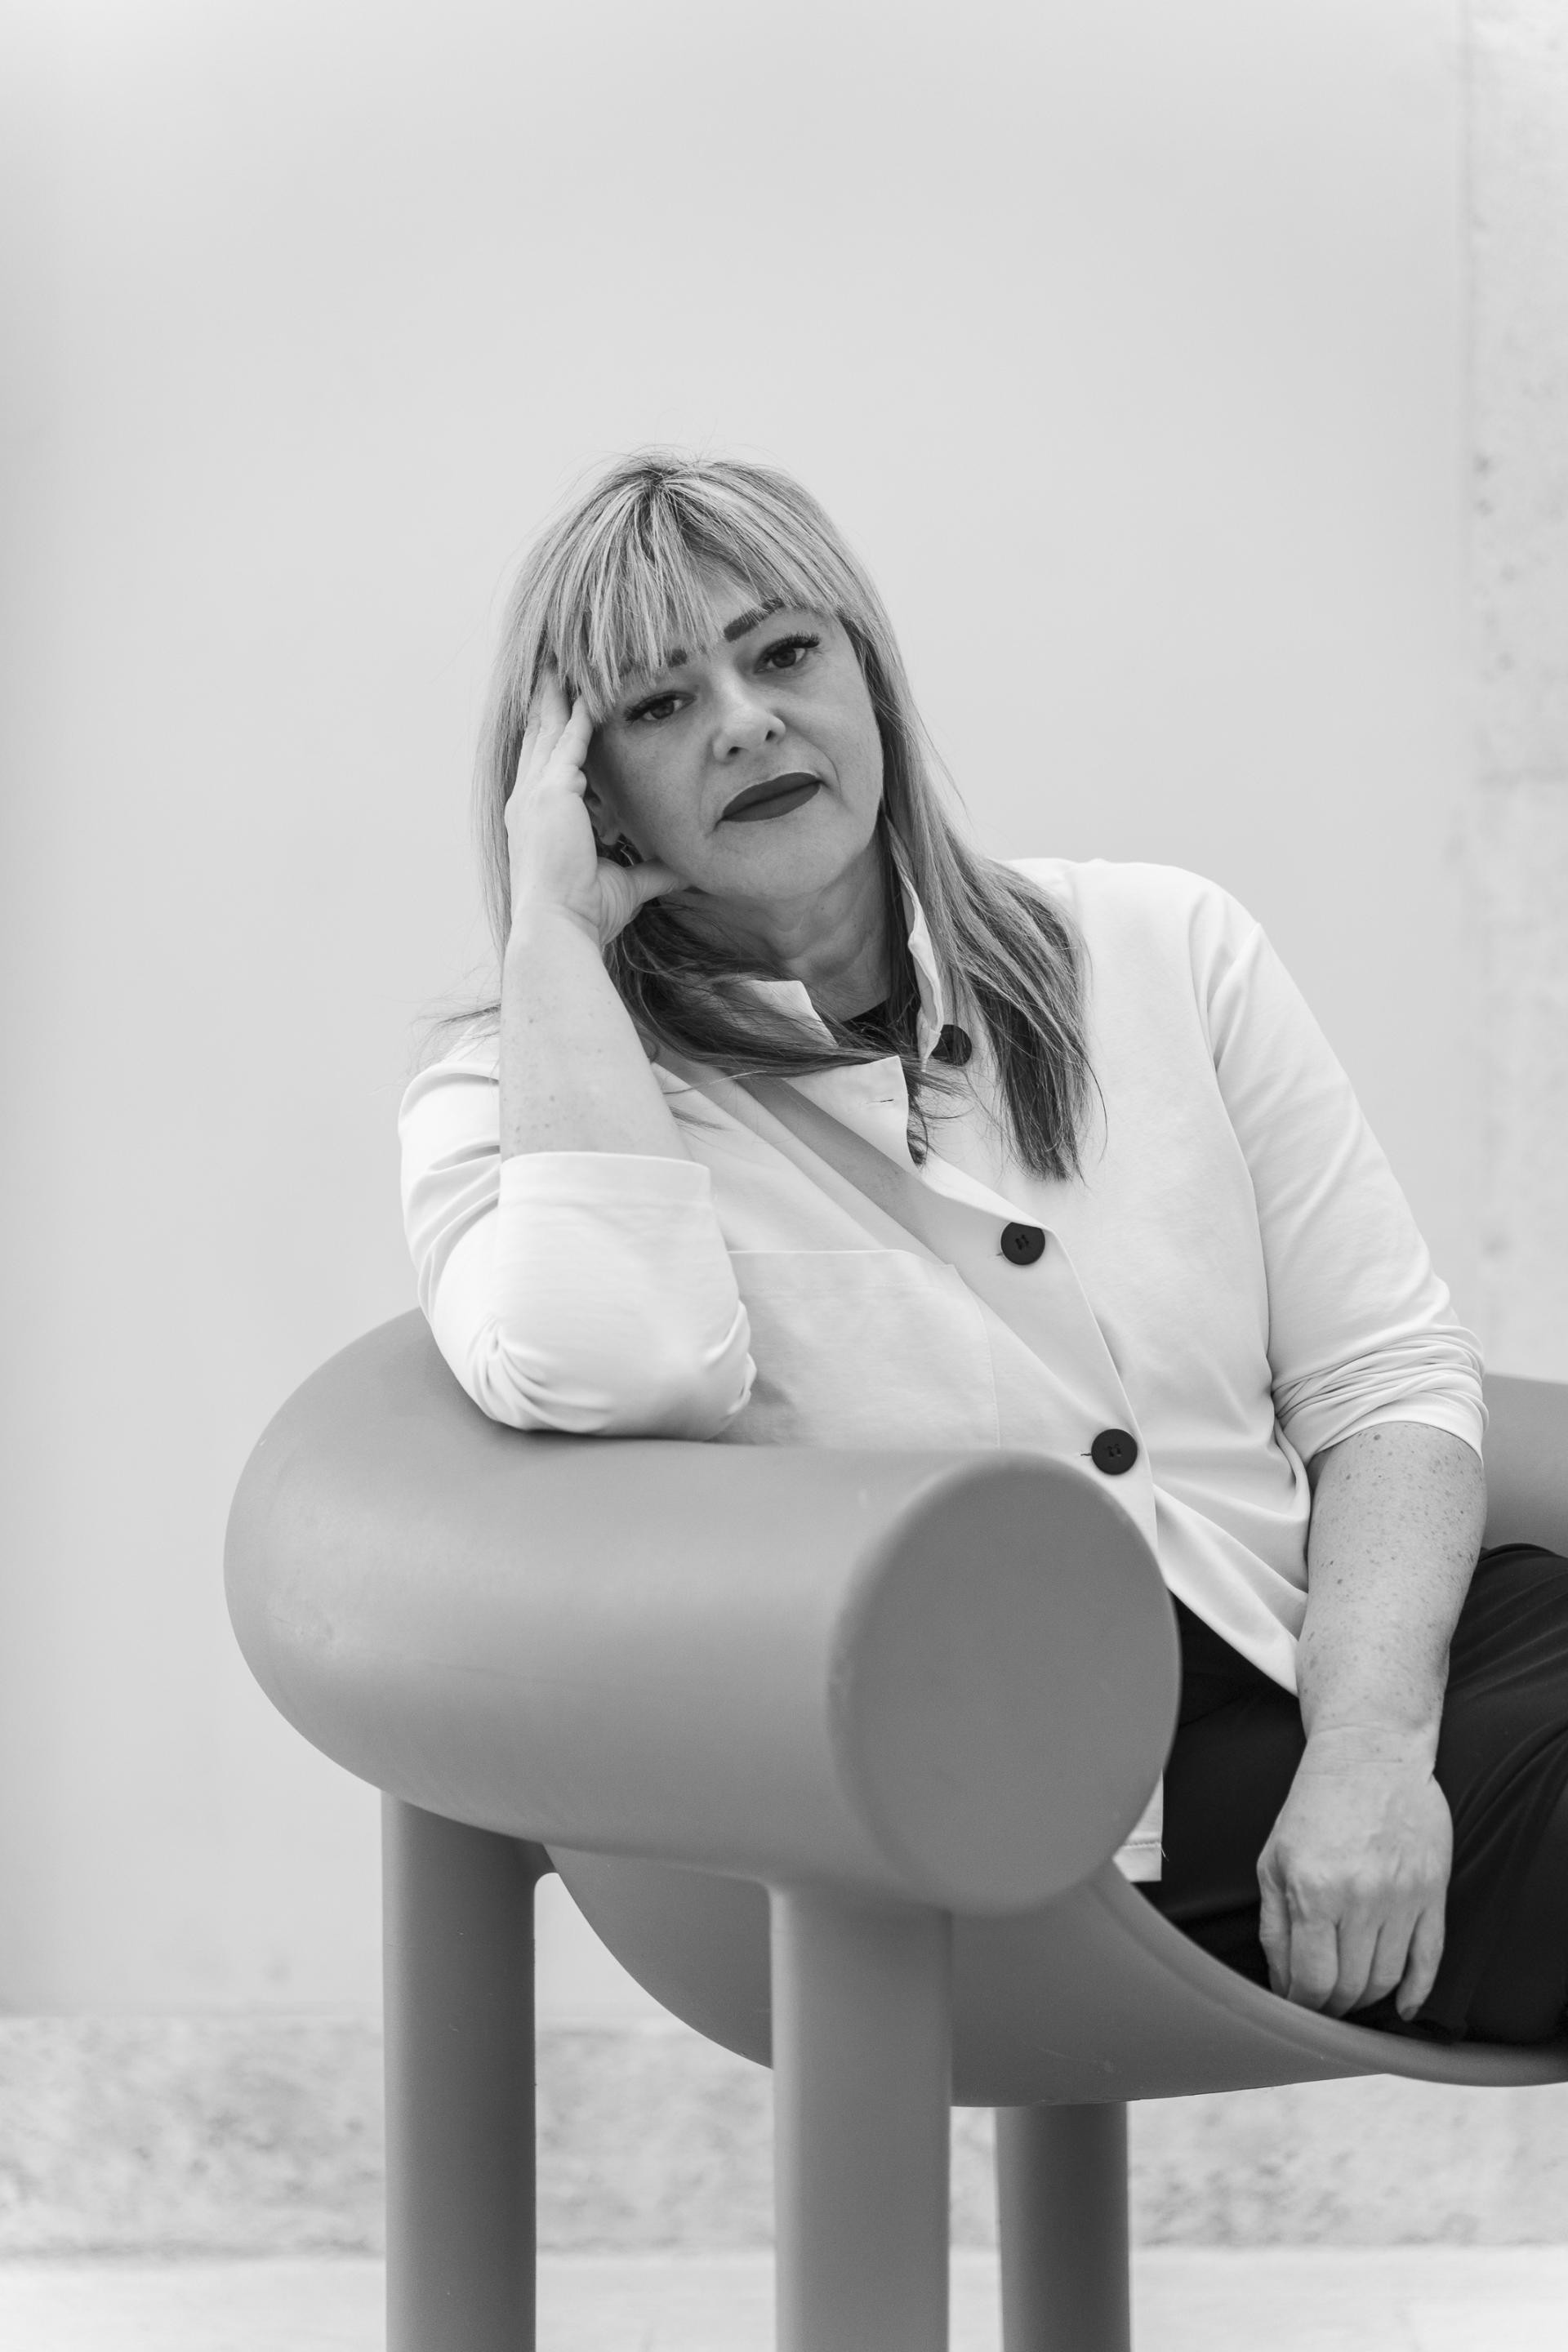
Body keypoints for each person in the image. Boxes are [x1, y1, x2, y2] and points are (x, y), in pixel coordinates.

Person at [400, 450, 1568, 2046]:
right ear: (578, 787)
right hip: (1028, 1810)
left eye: (785, 652)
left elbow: (1383, 1380)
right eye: (659, 703)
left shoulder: (1161, 947)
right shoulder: (511, 1095)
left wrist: (1370, 1751)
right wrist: (554, 936)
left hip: (1366, 1672)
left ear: (868, 676)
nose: (745, 720)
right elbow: (627, 1367)